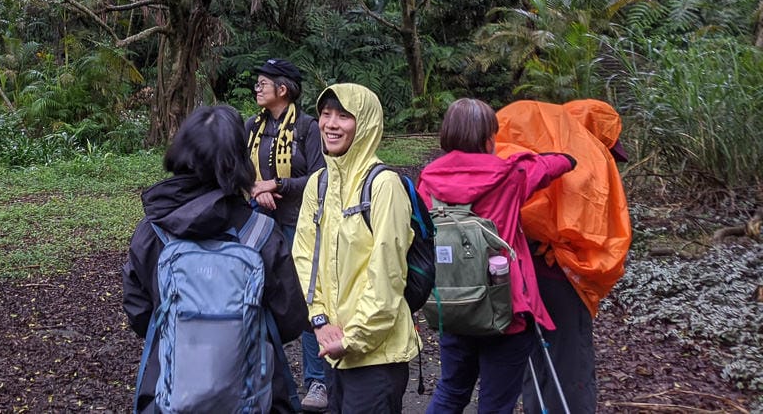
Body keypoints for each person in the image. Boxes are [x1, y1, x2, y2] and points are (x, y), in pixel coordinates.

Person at [123, 104, 308, 413]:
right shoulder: (261, 232)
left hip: (168, 394)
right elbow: (289, 320)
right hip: (254, 395)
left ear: (182, 149)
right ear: (238, 158)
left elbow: (140, 316)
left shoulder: (152, 231)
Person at [415, 98, 576, 414]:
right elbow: (558, 163)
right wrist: (571, 156)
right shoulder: (511, 174)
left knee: (450, 392)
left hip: (453, 304)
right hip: (506, 310)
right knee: (495, 404)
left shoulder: (427, 180)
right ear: (489, 138)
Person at [495, 99, 632, 414]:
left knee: (535, 359)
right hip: (561, 279)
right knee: (570, 366)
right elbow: (593, 232)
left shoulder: (532, 141)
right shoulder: (585, 163)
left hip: (517, 275)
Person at [292, 84, 420, 414]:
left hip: (376, 356)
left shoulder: (383, 185)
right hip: (332, 353)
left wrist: (353, 339)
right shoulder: (318, 184)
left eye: (344, 116)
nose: (331, 124)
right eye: (325, 114)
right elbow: (305, 257)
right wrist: (319, 321)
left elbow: (387, 273)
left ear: (364, 123)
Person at [247, 57, 328, 412]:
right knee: (258, 294)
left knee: (307, 296)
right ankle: (260, 373)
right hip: (260, 220)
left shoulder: (308, 128)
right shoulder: (251, 126)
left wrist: (278, 184)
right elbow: (235, 166)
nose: (257, 88)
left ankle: (318, 382)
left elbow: (319, 176)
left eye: (263, 83)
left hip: (299, 221)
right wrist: (255, 186)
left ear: (283, 89)